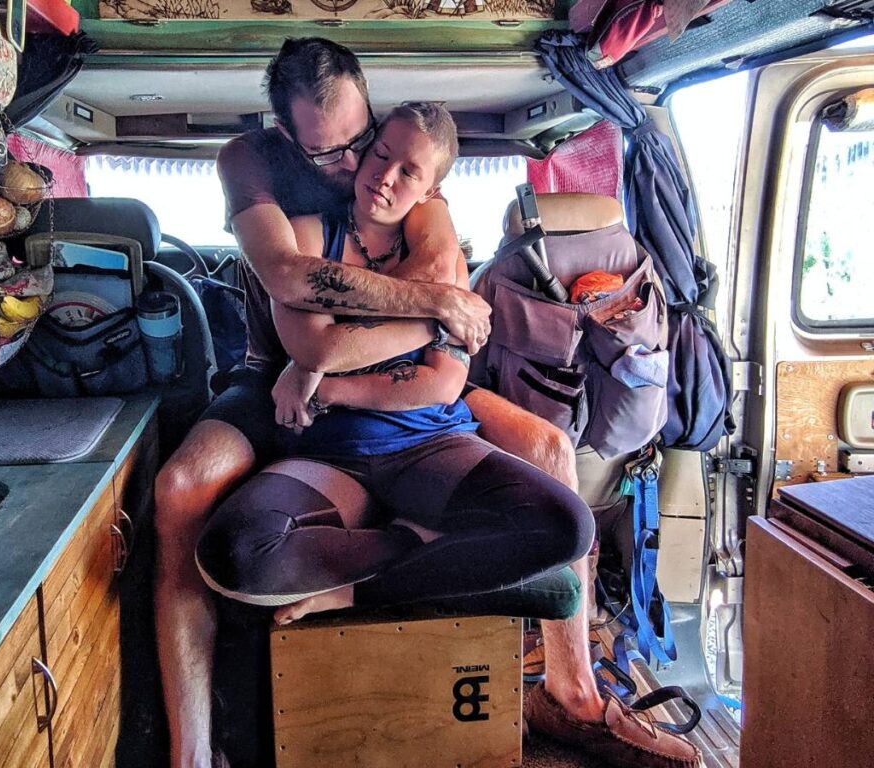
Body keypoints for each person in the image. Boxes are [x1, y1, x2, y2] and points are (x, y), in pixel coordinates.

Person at [195, 103, 702, 768]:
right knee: (237, 553)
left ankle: (354, 585)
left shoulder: (441, 253)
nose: (385, 178)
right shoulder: (307, 234)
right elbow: (306, 339)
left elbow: (434, 386)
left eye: (410, 172)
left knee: (566, 527)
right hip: (332, 453)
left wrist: (328, 382)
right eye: (380, 157)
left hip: (431, 442)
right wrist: (421, 325)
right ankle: (410, 551)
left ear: (431, 189)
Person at [154, 38, 577, 768]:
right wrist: (438, 305)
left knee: (550, 451)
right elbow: (290, 280)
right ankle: (191, 753)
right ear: (285, 135)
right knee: (181, 490)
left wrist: (409, 337)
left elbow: (443, 363)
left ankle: (574, 695)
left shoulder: (414, 177)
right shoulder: (251, 163)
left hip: (398, 392)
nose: (359, 167)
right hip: (277, 370)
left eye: (367, 141)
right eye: (332, 154)